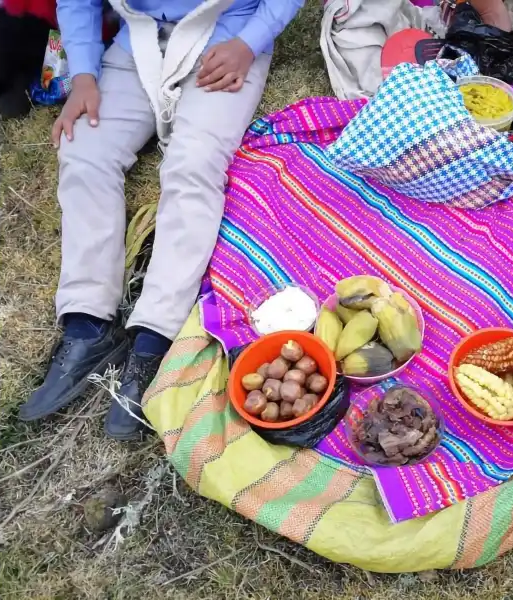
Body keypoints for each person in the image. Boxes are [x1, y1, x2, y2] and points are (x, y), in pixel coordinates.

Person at [18, 0, 306, 441]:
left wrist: (249, 44)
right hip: (139, 41)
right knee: (84, 152)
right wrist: (83, 76)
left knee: (194, 165)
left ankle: (156, 336)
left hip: (226, 39)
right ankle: (87, 322)